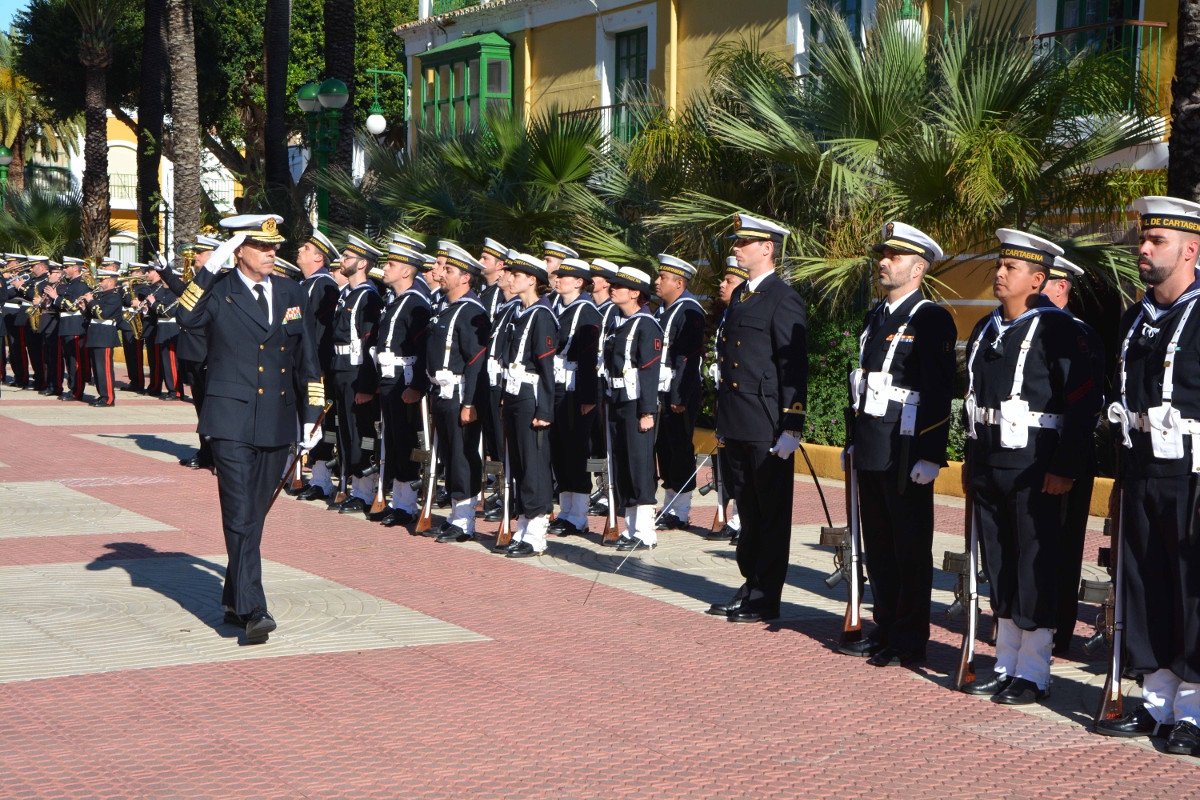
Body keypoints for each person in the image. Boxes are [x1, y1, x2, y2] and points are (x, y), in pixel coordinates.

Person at [959, 229, 1099, 704]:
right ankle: (1005, 661)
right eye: (999, 265)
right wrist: (970, 459)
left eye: (1011, 268)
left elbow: (1081, 403)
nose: (1000, 274)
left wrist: (1066, 465)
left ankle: (1034, 670)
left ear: (1037, 279)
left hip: (1035, 464)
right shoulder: (984, 328)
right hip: (989, 459)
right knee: (998, 561)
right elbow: (973, 401)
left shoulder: (1057, 328)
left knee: (1034, 564)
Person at [176, 213, 325, 645]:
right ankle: (253, 609)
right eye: (262, 246)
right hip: (231, 419)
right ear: (239, 249)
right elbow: (186, 318)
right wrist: (210, 267)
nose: (272, 253)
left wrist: (312, 415)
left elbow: (306, 357)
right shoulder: (218, 292)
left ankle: (230, 595)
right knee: (241, 511)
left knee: (253, 516)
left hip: (279, 418)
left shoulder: (291, 290)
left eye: (276, 246)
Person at [1097, 196, 1200, 755]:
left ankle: (1195, 710)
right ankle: (1159, 701)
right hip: (1140, 468)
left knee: (1192, 590)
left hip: (1192, 473)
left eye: (1156, 241)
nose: (1142, 248)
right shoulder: (1137, 314)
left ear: (1190, 249)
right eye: (1143, 239)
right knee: (1143, 583)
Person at [837, 222, 956, 667]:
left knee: (909, 547)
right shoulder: (876, 316)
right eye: (882, 255)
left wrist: (931, 453)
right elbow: (863, 387)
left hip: (906, 448)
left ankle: (909, 637)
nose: (883, 263)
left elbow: (939, 389)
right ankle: (885, 626)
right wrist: (852, 441)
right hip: (872, 443)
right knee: (880, 545)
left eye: (895, 257)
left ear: (919, 267)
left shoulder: (931, 317)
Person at [707, 213, 807, 624]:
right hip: (737, 420)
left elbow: (793, 367)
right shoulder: (742, 297)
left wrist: (792, 425)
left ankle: (767, 595)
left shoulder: (784, 298)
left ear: (767, 249)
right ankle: (750, 584)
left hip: (766, 422)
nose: (735, 248)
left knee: (769, 513)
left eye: (743, 243)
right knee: (746, 509)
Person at [1041, 255, 1106, 656]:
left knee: (1060, 550)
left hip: (1069, 458)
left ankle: (1057, 630)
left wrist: (1066, 463)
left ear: (1061, 286)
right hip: (1033, 458)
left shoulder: (1080, 333)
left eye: (1044, 281)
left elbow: (1086, 405)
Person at [362, 243, 432, 526]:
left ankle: (406, 504)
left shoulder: (416, 303)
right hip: (390, 379)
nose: (385, 268)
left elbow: (422, 348)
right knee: (391, 441)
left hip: (405, 380)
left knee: (404, 442)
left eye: (391, 265)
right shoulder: (397, 300)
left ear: (406, 271)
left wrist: (415, 386)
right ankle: (399, 500)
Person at [423, 244, 490, 542]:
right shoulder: (445, 307)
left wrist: (469, 402)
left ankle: (465, 520)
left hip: (461, 391)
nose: (443, 274)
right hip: (441, 392)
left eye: (449, 271)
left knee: (464, 455)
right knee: (450, 455)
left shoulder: (471, 311)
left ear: (465, 278)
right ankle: (455, 512)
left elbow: (476, 360)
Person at [499, 253, 559, 557]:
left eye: (517, 274)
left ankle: (536, 533)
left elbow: (548, 369)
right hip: (513, 393)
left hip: (531, 396)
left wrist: (544, 410)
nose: (510, 278)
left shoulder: (542, 315)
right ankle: (522, 526)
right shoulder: (519, 312)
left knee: (534, 464)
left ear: (532, 279)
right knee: (520, 463)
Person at [602, 266, 664, 550]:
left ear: (635, 293)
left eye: (619, 286)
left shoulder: (646, 325)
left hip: (636, 404)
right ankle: (630, 528)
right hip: (617, 400)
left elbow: (649, 373)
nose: (612, 288)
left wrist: (647, 411)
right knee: (623, 464)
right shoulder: (619, 323)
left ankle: (645, 532)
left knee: (639, 465)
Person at [329, 234, 385, 514]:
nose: (342, 261)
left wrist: (367, 383)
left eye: (348, 257)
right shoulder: (346, 293)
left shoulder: (369, 296)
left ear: (362, 263)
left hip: (356, 369)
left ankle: (364, 488)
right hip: (340, 368)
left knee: (359, 429)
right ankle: (352, 484)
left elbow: (369, 341)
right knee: (344, 429)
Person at [653, 254, 706, 531]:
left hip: (680, 390)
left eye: (663, 278)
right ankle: (670, 504)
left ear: (679, 282)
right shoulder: (662, 309)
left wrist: (679, 397)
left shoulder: (690, 311)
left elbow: (689, 357)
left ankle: (681, 510)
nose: (657, 281)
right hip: (662, 390)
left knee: (680, 448)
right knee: (665, 448)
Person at [547, 257, 600, 537]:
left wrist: (588, 397)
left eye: (564, 277)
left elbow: (589, 357)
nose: (557, 280)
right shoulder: (558, 308)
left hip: (576, 389)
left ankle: (578, 515)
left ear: (579, 282)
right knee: (560, 450)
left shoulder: (586, 311)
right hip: (557, 388)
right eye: (557, 276)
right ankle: (565, 511)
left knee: (576, 451)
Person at [293, 229, 342, 501]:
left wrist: (318, 366)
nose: (299, 250)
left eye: (306, 248)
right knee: (304, 420)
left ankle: (322, 479)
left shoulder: (324, 285)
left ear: (318, 257)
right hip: (301, 364)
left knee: (317, 422)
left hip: (315, 367)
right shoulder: (306, 284)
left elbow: (321, 332)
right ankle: (307, 475)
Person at [704, 256, 747, 544]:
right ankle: (733, 516)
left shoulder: (743, 313)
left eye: (729, 281)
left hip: (743, 401)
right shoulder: (727, 314)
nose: (722, 284)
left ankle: (742, 519)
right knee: (729, 461)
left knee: (742, 464)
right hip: (726, 398)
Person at [587, 258, 621, 518]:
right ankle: (598, 483)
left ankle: (609, 487)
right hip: (592, 381)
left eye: (595, 277)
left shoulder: (613, 310)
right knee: (594, 440)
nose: (590, 281)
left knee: (605, 437)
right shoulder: (592, 307)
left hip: (605, 382)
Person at [83, 265, 124, 407]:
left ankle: (108, 398)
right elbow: (93, 314)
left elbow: (103, 314)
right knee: (97, 369)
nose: (99, 282)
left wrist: (91, 301)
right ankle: (102, 395)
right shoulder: (101, 296)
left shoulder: (114, 297)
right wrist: (85, 307)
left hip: (105, 336)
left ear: (111, 282)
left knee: (104, 369)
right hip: (95, 334)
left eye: (102, 280)